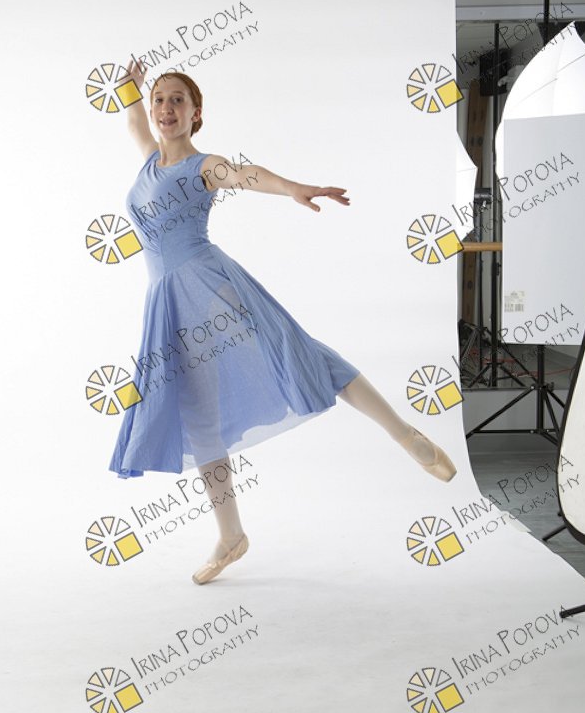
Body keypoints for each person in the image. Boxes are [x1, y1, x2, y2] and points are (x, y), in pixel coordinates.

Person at [109, 61, 456, 584]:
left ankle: (405, 435)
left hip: (210, 290)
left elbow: (246, 175)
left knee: (301, 354)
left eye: (178, 100)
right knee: (199, 417)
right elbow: (134, 120)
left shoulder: (204, 166)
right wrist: (130, 87)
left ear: (196, 113)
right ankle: (231, 536)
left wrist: (294, 188)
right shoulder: (148, 160)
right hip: (167, 303)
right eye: (160, 99)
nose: (166, 108)